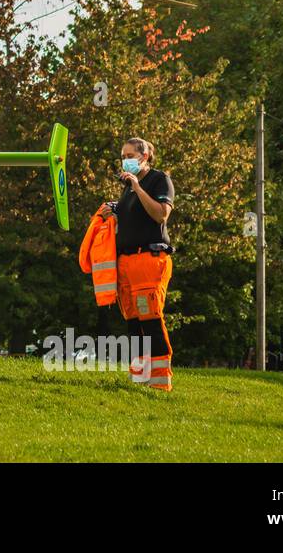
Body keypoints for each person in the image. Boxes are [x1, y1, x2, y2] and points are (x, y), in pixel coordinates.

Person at [113, 137, 176, 391]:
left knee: (150, 315)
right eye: (122, 156)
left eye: (129, 155)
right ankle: (139, 376)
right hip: (127, 262)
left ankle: (160, 380)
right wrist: (113, 210)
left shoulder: (159, 180)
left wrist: (138, 188)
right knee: (133, 318)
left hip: (149, 259)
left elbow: (161, 214)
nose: (125, 160)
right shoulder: (126, 186)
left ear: (144, 156)